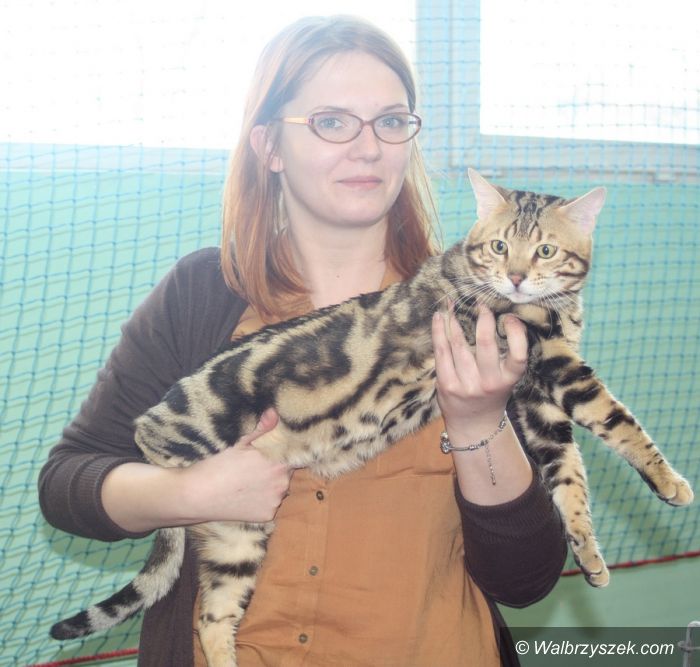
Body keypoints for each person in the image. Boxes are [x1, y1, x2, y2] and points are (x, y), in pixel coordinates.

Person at [39, 15, 567, 667]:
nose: (368, 148)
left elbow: (526, 578)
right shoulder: (203, 294)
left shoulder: (483, 310)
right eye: (332, 121)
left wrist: (480, 422)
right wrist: (189, 493)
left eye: (390, 121)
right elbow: (67, 481)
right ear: (269, 146)